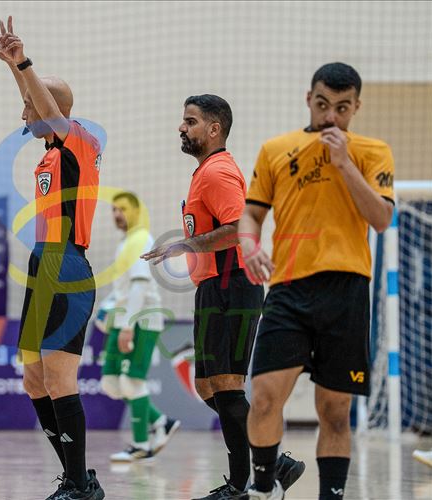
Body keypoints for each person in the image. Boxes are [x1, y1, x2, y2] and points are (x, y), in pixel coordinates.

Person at [240, 62, 395, 500]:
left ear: (356, 107)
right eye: (323, 104)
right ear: (309, 99)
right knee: (265, 397)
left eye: (342, 108)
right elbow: (251, 213)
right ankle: (264, 488)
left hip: (346, 290)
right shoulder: (275, 149)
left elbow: (381, 218)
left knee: (335, 410)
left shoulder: (373, 151)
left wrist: (344, 163)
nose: (331, 116)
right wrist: (249, 245)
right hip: (288, 288)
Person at [141, 95, 305, 500]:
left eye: (190, 121)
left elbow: (238, 229)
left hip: (232, 282)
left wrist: (187, 245)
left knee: (227, 386)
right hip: (213, 286)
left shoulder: (217, 172)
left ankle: (239, 485)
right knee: (207, 387)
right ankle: (274, 462)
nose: (181, 128)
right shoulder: (205, 172)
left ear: (214, 129)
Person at [0, 17, 104, 500]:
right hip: (43, 265)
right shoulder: (50, 152)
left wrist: (24, 62)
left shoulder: (79, 141)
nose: (22, 115)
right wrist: (12, 69)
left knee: (58, 379)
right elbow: (39, 106)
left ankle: (78, 484)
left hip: (66, 266)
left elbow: (49, 110)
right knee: (34, 381)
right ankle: (78, 477)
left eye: (28, 106)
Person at [97, 191, 181, 463]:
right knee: (111, 382)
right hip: (123, 318)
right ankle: (161, 422)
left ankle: (140, 444)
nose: (117, 214)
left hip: (141, 320)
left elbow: (140, 286)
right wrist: (106, 308)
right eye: (113, 209)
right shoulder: (125, 243)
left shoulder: (141, 239)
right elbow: (123, 288)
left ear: (135, 211)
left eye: (122, 209)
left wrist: (128, 325)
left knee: (131, 381)